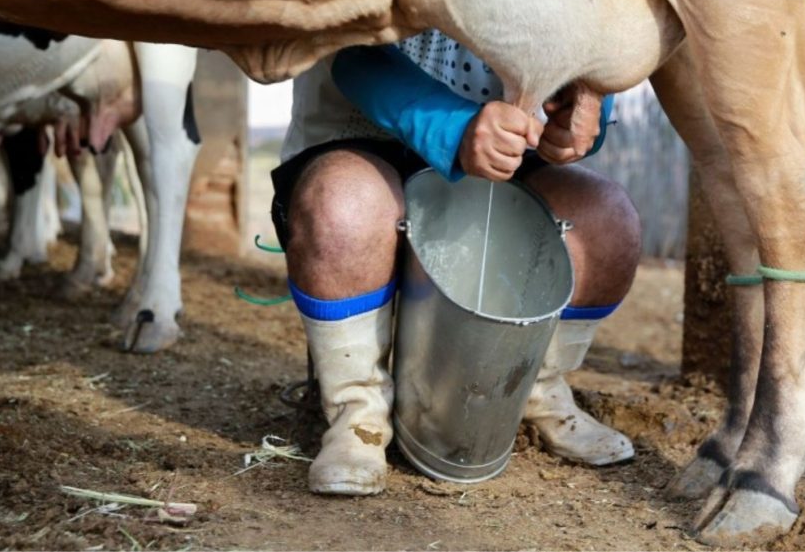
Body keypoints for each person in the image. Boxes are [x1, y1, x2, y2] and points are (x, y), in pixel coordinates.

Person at [271, 30, 642, 495]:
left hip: (503, 154)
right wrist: (455, 127)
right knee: (341, 205)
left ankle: (533, 389)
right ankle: (357, 412)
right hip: (356, 137)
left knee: (606, 220)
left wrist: (587, 103)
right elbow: (349, 55)